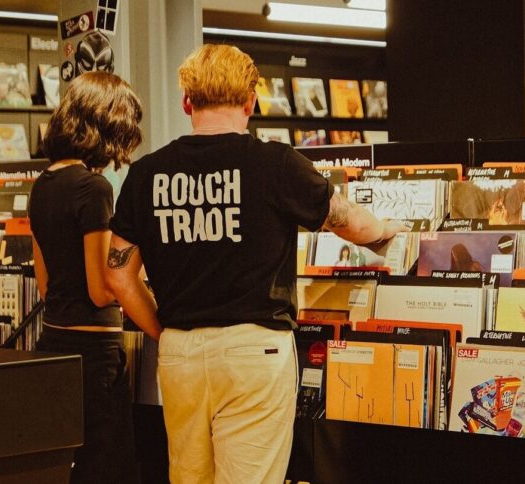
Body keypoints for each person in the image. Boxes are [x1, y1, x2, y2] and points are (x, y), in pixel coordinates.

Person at [105, 44, 406, 483]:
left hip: (180, 353)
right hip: (254, 349)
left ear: (187, 102)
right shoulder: (275, 163)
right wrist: (385, 229)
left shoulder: (147, 173)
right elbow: (349, 221)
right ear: (250, 101)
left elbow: (118, 273)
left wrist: (164, 331)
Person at [29, 71, 142, 484]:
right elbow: (100, 289)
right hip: (95, 353)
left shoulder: (42, 185)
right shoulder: (94, 188)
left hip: (53, 345)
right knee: (110, 466)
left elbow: (44, 284)